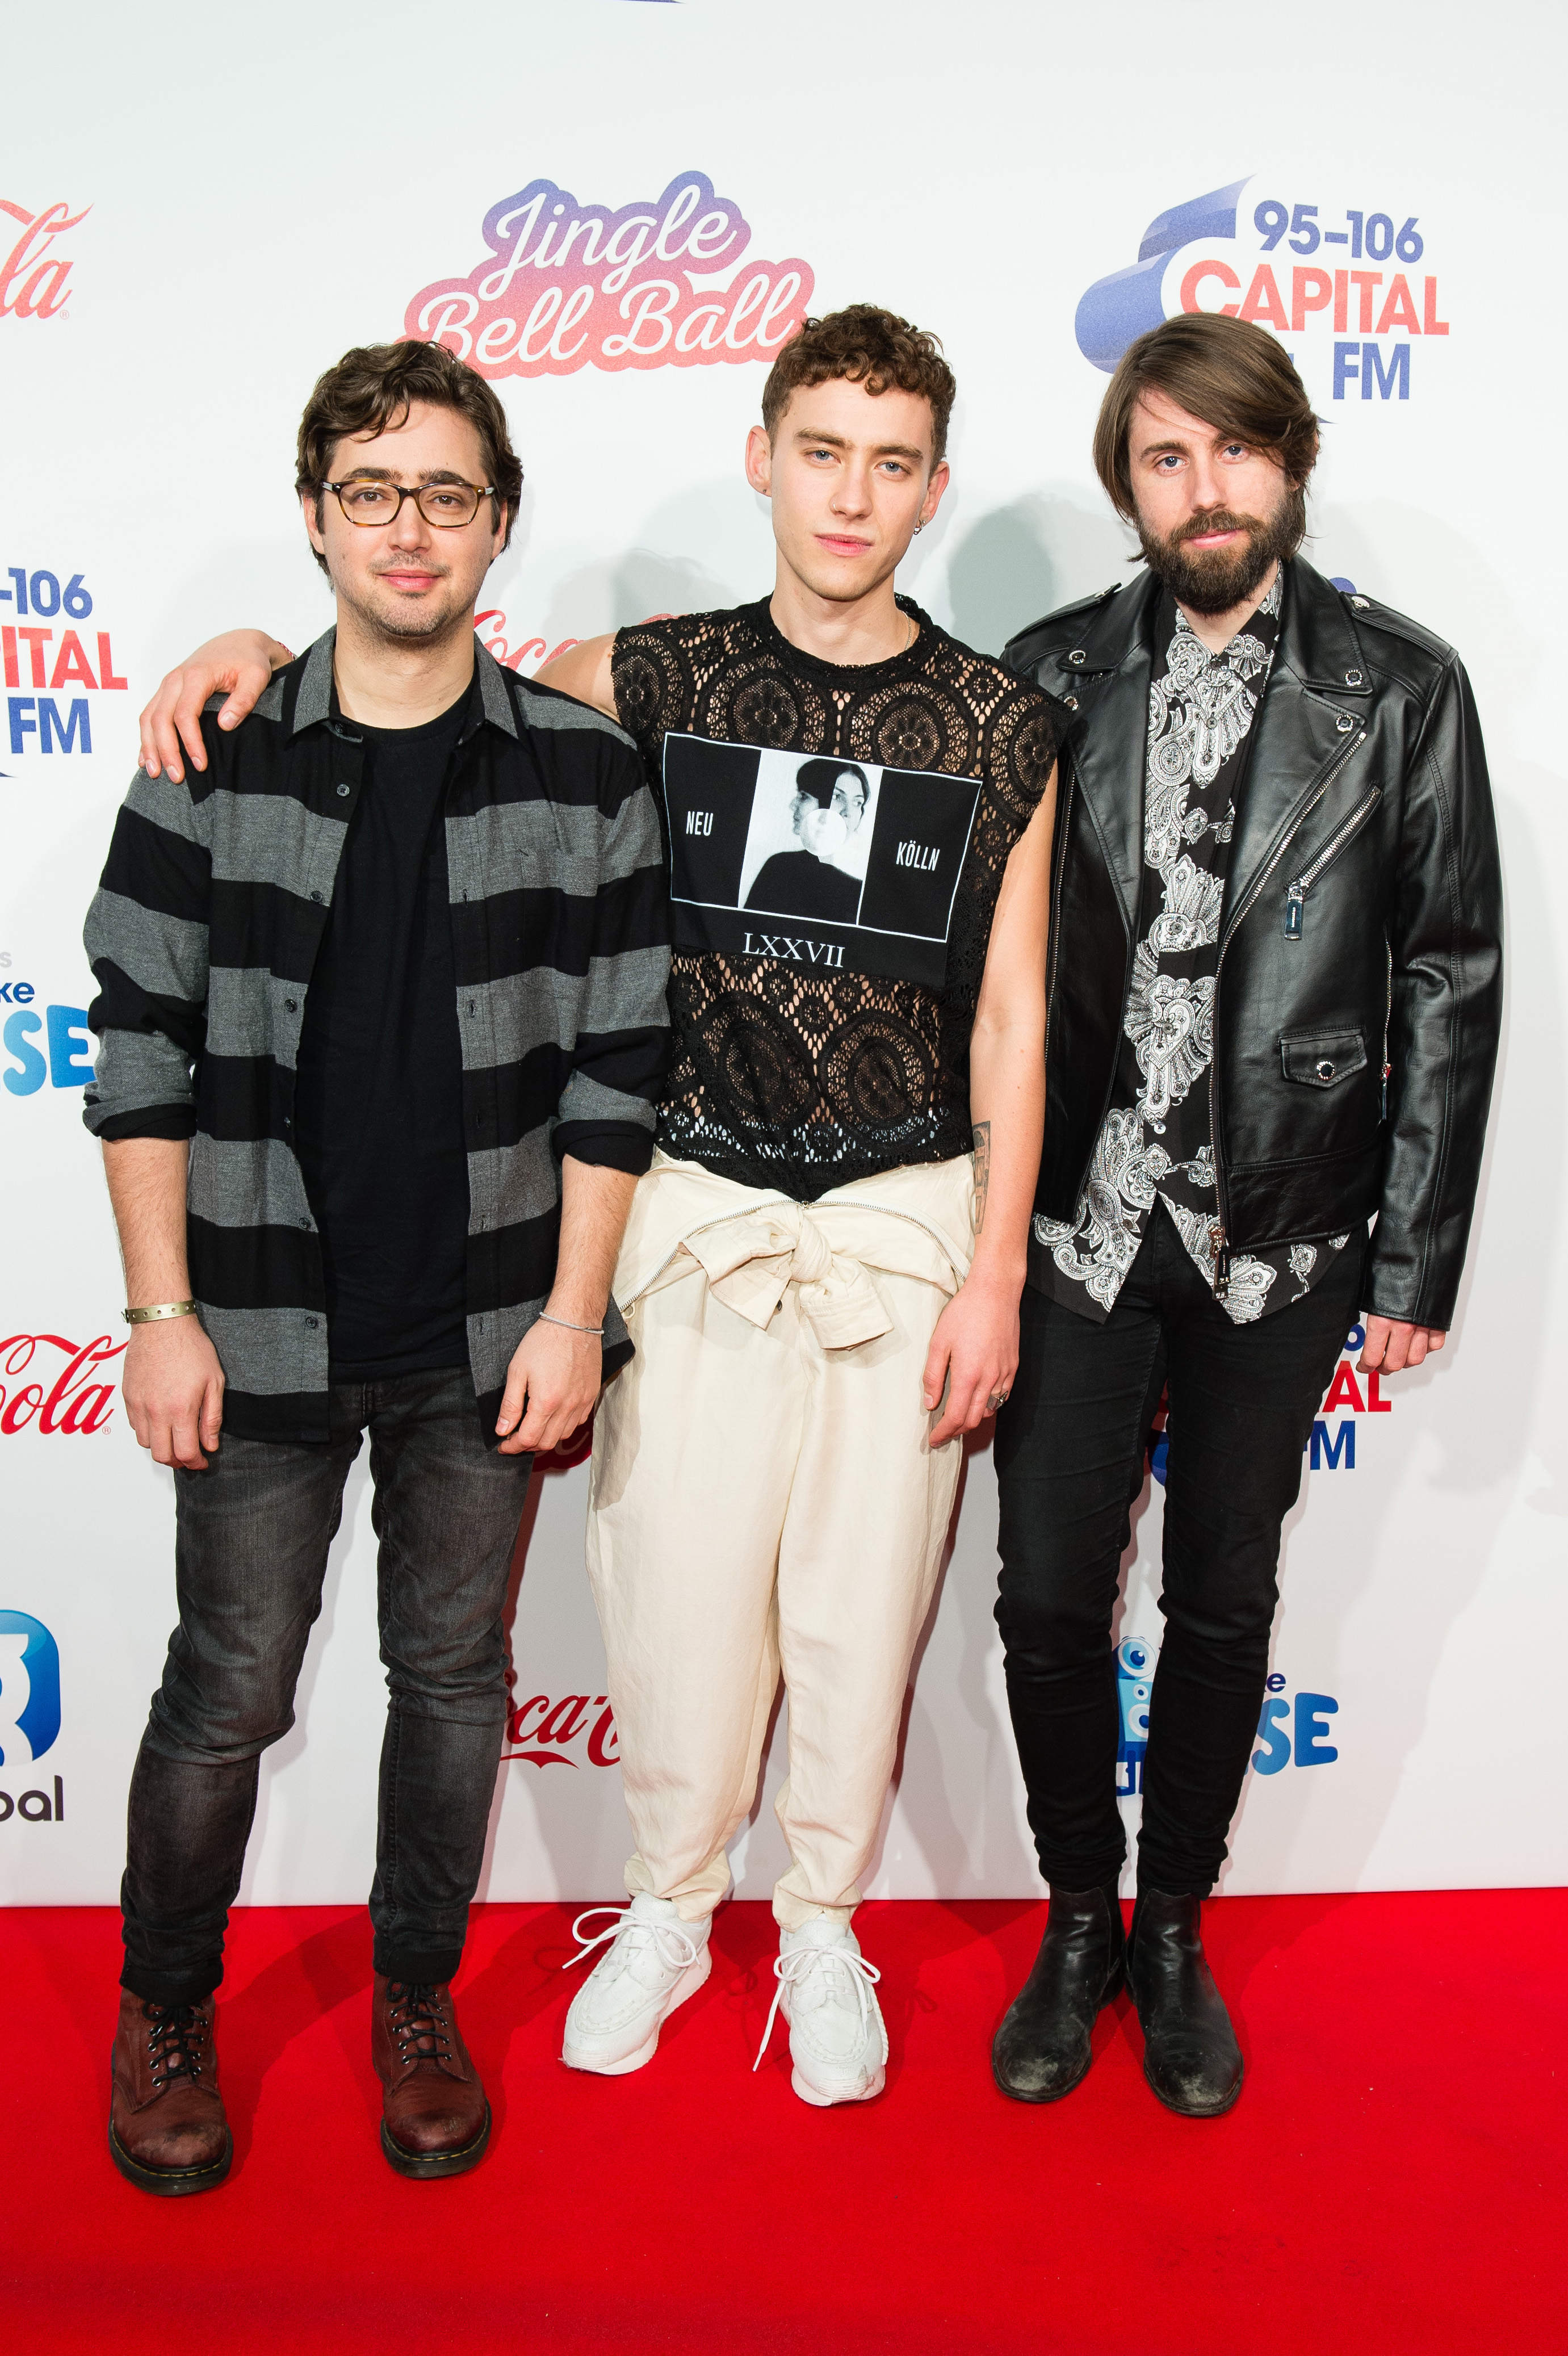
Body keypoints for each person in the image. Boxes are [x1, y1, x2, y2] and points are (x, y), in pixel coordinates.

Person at [135, 304, 1069, 2110]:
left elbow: (1016, 1016)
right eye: (820, 449)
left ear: (933, 487)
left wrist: (999, 1271)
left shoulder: (998, 720)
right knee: (673, 1604)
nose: (851, 494)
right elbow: (414, 676)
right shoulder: (638, 676)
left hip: (903, 1224)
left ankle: (817, 1925)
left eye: (890, 462)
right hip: (691, 1214)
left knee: (857, 1618)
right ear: (760, 457)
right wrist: (254, 644)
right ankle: (662, 1904)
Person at [85, 339, 669, 2194]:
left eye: (443, 492)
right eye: (369, 488)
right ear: (317, 518)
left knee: (450, 1680)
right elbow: (137, 1051)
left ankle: (415, 1992)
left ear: (497, 523)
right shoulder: (215, 750)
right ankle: (166, 2007)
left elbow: (617, 1070)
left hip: (489, 1324)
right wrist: (161, 1314)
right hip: (250, 1320)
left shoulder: (584, 772)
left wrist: (576, 1314)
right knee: (229, 1687)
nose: (406, 526)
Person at [990, 311, 1502, 2118]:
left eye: (1231, 451)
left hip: (1282, 1227)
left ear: (1287, 461)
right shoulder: (1042, 674)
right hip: (1067, 1223)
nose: (1200, 491)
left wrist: (1415, 1250)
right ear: (1121, 483)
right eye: (1161, 457)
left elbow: (1447, 970)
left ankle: (1178, 1925)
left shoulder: (1399, 687)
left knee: (1219, 1598)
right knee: (1045, 1595)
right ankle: (1075, 1916)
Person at [744, 757, 869, 921]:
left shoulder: (863, 890)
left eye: (858, 802)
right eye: (837, 796)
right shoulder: (779, 867)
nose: (848, 812)